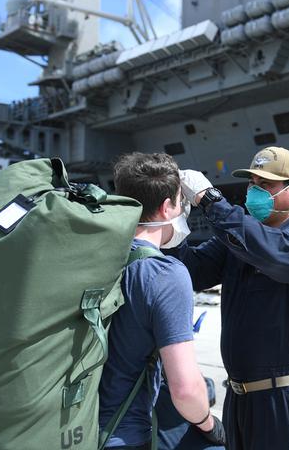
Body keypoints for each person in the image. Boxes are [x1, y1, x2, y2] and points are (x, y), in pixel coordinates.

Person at [174, 146, 289, 450]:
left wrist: (211, 201)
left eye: (267, 185)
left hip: (288, 400)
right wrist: (174, 229)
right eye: (253, 184)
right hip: (240, 397)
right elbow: (192, 271)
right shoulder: (239, 242)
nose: (255, 192)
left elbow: (271, 252)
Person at [99, 152, 226, 450]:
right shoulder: (165, 274)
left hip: (71, 429)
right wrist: (210, 424)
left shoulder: (95, 255)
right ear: (168, 207)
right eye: (181, 202)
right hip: (123, 434)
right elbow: (185, 389)